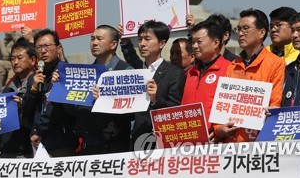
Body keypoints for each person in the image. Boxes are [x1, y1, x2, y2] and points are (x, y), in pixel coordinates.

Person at [214, 9, 285, 143]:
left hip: (259, 143)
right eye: (239, 29)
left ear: (262, 32)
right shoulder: (233, 65)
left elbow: (276, 102)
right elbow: (220, 105)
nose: (240, 33)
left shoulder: (276, 64)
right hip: (229, 145)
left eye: (246, 29)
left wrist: (273, 111)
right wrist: (219, 129)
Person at [76, 25, 132, 155]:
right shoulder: (86, 74)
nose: (94, 43)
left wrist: (106, 100)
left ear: (113, 44)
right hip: (89, 144)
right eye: (92, 39)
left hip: (114, 146)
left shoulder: (125, 71)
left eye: (99, 39)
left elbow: (131, 114)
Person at [131, 21, 185, 150]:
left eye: (147, 39)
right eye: (140, 39)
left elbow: (174, 109)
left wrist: (155, 99)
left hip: (160, 143)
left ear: (161, 43)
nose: (142, 44)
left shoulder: (174, 73)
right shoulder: (135, 73)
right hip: (136, 140)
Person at [27, 29, 77, 157]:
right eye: (38, 47)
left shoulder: (66, 74)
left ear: (59, 48)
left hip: (62, 143)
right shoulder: (35, 77)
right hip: (38, 143)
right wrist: (33, 90)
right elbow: (27, 112)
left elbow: (57, 109)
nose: (43, 51)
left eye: (47, 46)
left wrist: (38, 130)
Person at [181, 21, 230, 128]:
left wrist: (218, 130)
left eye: (199, 42)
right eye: (193, 42)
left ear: (216, 43)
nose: (194, 46)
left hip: (214, 140)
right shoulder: (190, 73)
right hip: (188, 137)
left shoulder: (230, 70)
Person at [0, 38, 36, 158]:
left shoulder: (38, 83)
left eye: (20, 58)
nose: (15, 62)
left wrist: (23, 105)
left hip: (27, 150)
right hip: (7, 150)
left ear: (33, 60)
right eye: (12, 59)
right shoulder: (9, 86)